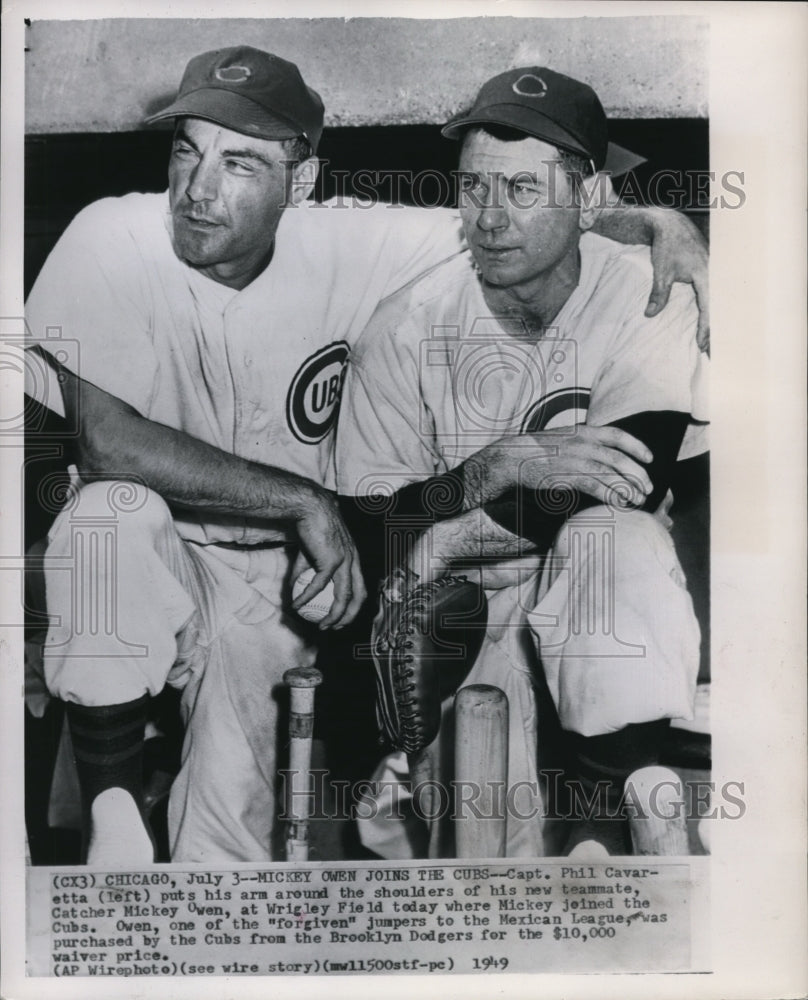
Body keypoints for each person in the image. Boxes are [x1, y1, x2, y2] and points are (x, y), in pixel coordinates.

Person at [25, 47, 708, 865]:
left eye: (239, 161)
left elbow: (524, 223)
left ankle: (609, 818)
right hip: (195, 547)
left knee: (235, 841)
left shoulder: (363, 243)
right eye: (186, 149)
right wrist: (312, 502)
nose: (199, 188)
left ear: (300, 184)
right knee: (106, 517)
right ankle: (112, 801)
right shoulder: (111, 234)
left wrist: (664, 224)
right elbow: (107, 445)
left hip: (296, 576)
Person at [336, 66, 708, 858]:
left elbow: (628, 480)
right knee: (491, 872)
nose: (491, 219)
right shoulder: (407, 324)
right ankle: (596, 820)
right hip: (463, 608)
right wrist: (489, 471)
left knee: (617, 537)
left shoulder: (652, 292)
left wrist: (441, 531)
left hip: (586, 592)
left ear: (591, 200)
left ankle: (624, 813)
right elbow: (368, 524)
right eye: (474, 189)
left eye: (523, 191)